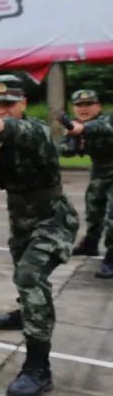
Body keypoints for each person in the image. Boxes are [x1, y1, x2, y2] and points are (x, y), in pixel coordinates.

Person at [0, 74, 78, 396]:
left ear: (23, 103)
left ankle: (39, 368)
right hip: (21, 222)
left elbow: (20, 131)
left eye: (9, 104)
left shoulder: (35, 131)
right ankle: (26, 312)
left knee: (31, 275)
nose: (2, 110)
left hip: (55, 219)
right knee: (22, 275)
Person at [61, 89, 113, 277]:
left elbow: (105, 128)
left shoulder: (107, 120)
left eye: (88, 104)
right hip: (100, 172)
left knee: (112, 217)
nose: (83, 109)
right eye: (79, 105)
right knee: (94, 211)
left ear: (98, 106)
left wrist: (83, 129)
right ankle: (90, 244)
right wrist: (74, 142)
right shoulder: (75, 127)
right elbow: (64, 150)